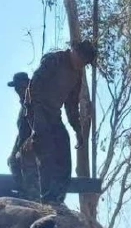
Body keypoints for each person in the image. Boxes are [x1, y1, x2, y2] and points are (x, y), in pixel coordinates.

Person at [23, 40, 97, 203]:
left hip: (54, 114)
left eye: (85, 62)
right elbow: (34, 85)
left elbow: (71, 105)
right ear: (74, 51)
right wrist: (34, 119)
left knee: (63, 147)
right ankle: (46, 196)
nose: (81, 63)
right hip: (38, 108)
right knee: (46, 149)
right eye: (80, 58)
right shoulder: (54, 60)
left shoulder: (77, 76)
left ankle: (58, 197)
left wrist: (77, 130)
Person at [6, 72, 37, 199]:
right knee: (12, 160)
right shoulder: (23, 105)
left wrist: (32, 140)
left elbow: (40, 124)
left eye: (20, 87)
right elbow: (21, 132)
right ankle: (24, 190)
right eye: (16, 88)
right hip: (24, 142)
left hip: (37, 142)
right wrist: (15, 150)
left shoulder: (35, 102)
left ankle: (33, 194)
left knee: (24, 158)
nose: (17, 90)